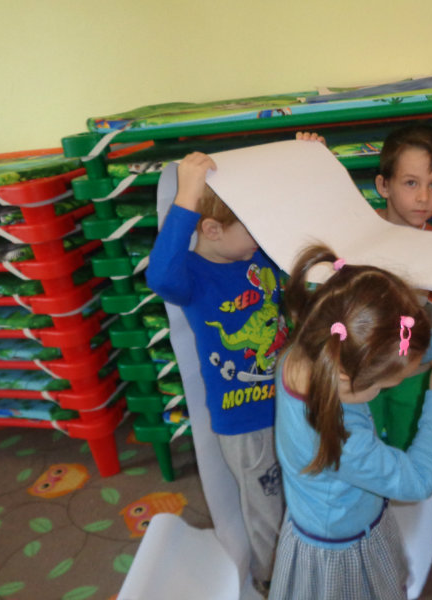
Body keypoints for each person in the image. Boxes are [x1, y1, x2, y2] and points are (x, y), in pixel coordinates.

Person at [270, 244, 432, 600]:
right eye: (382, 385)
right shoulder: (342, 437)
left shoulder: (305, 352)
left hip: (332, 519)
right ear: (348, 376)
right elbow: (417, 481)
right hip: (342, 550)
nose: (382, 390)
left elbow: (379, 351)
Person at [145, 151, 286, 594]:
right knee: (266, 506)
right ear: (210, 230)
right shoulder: (192, 274)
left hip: (292, 405)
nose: (262, 233)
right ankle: (272, 578)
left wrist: (307, 162)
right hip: (244, 420)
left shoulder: (262, 258)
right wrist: (187, 196)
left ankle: (299, 564)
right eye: (251, 226)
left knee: (299, 496)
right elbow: (159, 275)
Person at [370, 124, 432, 450]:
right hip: (362, 372)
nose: (423, 197)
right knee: (361, 453)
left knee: (411, 449)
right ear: (384, 185)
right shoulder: (359, 232)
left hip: (414, 372)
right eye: (411, 183)